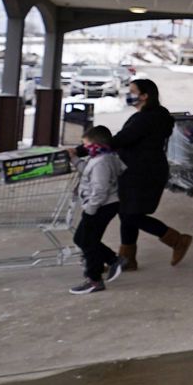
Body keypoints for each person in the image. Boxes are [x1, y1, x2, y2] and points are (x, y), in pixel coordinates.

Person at [112, 78, 193, 269]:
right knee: (127, 213)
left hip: (143, 173)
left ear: (144, 95)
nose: (128, 95)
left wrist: (88, 147)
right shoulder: (153, 115)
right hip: (140, 170)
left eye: (132, 91)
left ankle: (177, 240)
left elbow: (121, 139)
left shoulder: (146, 118)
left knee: (131, 214)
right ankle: (127, 259)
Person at [70, 125, 125, 295]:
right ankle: (113, 259)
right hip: (101, 205)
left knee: (88, 241)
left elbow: (100, 189)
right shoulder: (99, 158)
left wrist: (91, 209)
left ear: (97, 144)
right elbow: (87, 172)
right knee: (81, 238)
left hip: (101, 206)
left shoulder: (102, 162)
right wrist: (74, 159)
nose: (84, 149)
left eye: (86, 146)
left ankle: (94, 280)